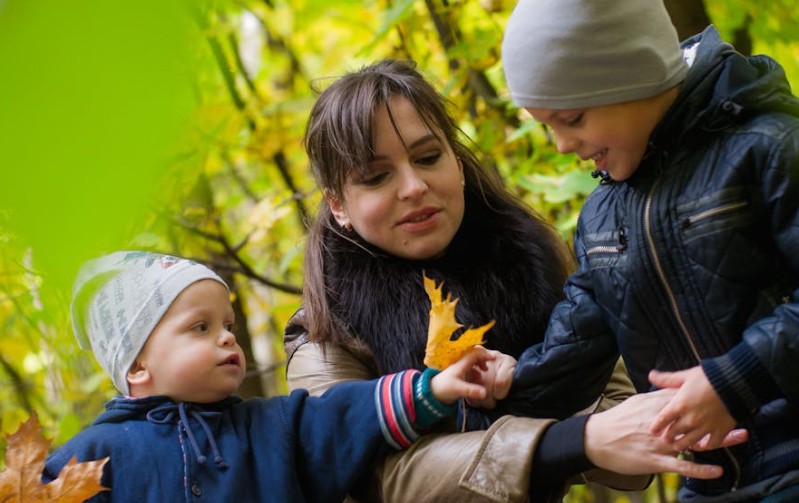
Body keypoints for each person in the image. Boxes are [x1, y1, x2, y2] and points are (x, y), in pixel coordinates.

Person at [284, 58, 745, 503]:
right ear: (338, 204)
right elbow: (380, 478)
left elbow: (625, 434)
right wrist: (571, 442)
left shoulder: (537, 265)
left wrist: (524, 384)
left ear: (457, 163)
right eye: (376, 177)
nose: (412, 187)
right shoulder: (326, 333)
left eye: (428, 157)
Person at [498, 0, 799, 501]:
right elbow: (575, 350)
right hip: (708, 482)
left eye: (571, 118)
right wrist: (507, 383)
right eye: (546, 124)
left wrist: (736, 380)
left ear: (632, 74)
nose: (560, 144)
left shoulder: (767, 146)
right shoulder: (601, 217)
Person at [43, 251, 497, 503]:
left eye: (228, 326)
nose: (225, 339)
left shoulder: (273, 427)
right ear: (137, 366)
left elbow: (344, 417)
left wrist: (431, 388)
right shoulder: (91, 457)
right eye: (200, 328)